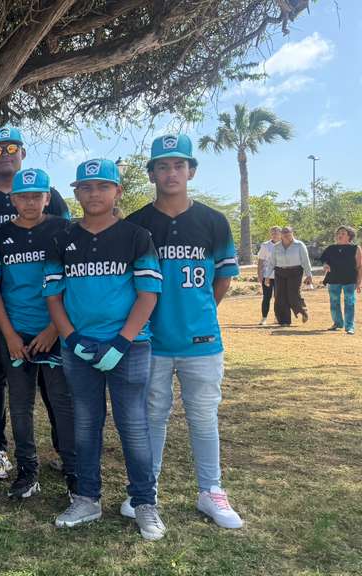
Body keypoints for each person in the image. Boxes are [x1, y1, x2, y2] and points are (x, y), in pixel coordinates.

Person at [127, 134, 244, 530]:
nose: (171, 172)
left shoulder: (213, 221)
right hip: (151, 340)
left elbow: (222, 279)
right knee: (152, 415)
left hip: (202, 340)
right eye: (163, 166)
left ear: (191, 171)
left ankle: (211, 490)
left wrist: (197, 313)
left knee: (203, 416)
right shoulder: (137, 223)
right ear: (152, 174)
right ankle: (147, 491)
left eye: (179, 165)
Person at [45, 158, 166, 541]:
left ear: (118, 191)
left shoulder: (136, 236)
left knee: (133, 426)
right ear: (76, 193)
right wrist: (72, 338)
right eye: (86, 187)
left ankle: (144, 503)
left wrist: (122, 341)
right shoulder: (62, 239)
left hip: (129, 347)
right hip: (78, 348)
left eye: (102, 186)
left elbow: (148, 295)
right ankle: (87, 498)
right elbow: (53, 297)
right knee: (85, 424)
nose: (94, 193)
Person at [0, 126, 69, 480]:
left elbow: (70, 252)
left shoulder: (52, 196)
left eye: (11, 147)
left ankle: (64, 450)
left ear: (23, 152)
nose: (5, 154)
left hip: (49, 310)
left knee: (52, 384)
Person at [0, 168, 77, 501]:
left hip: (55, 331)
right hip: (16, 333)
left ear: (47, 198)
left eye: (37, 196)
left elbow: (73, 282)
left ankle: (74, 471)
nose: (30, 202)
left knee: (62, 403)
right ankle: (27, 471)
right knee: (21, 405)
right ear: (12, 199)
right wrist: (9, 334)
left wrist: (54, 328)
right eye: (23, 196)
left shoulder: (64, 229)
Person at [320, 225, 361, 334]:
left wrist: (359, 282)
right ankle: (337, 323)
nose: (340, 235)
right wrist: (325, 265)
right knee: (334, 302)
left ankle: (349, 327)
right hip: (333, 279)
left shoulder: (355, 248)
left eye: (343, 233)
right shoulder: (330, 248)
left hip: (350, 280)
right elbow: (324, 260)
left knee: (350, 303)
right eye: (338, 233)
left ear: (349, 236)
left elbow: (359, 266)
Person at [272, 226, 313, 326]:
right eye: (284, 232)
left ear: (292, 233)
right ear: (281, 234)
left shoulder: (299, 245)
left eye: (288, 232)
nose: (286, 234)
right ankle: (284, 321)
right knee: (280, 296)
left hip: (295, 271)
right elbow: (272, 262)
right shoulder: (276, 246)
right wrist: (268, 276)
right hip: (280, 272)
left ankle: (303, 311)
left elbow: (305, 261)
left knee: (293, 295)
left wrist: (309, 275)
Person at [257, 226, 280, 325]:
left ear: (280, 234)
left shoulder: (284, 245)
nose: (275, 235)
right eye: (273, 233)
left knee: (278, 297)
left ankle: (277, 317)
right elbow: (260, 261)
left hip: (280, 275)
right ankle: (264, 318)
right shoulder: (265, 245)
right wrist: (259, 274)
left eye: (277, 233)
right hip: (267, 275)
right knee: (267, 297)